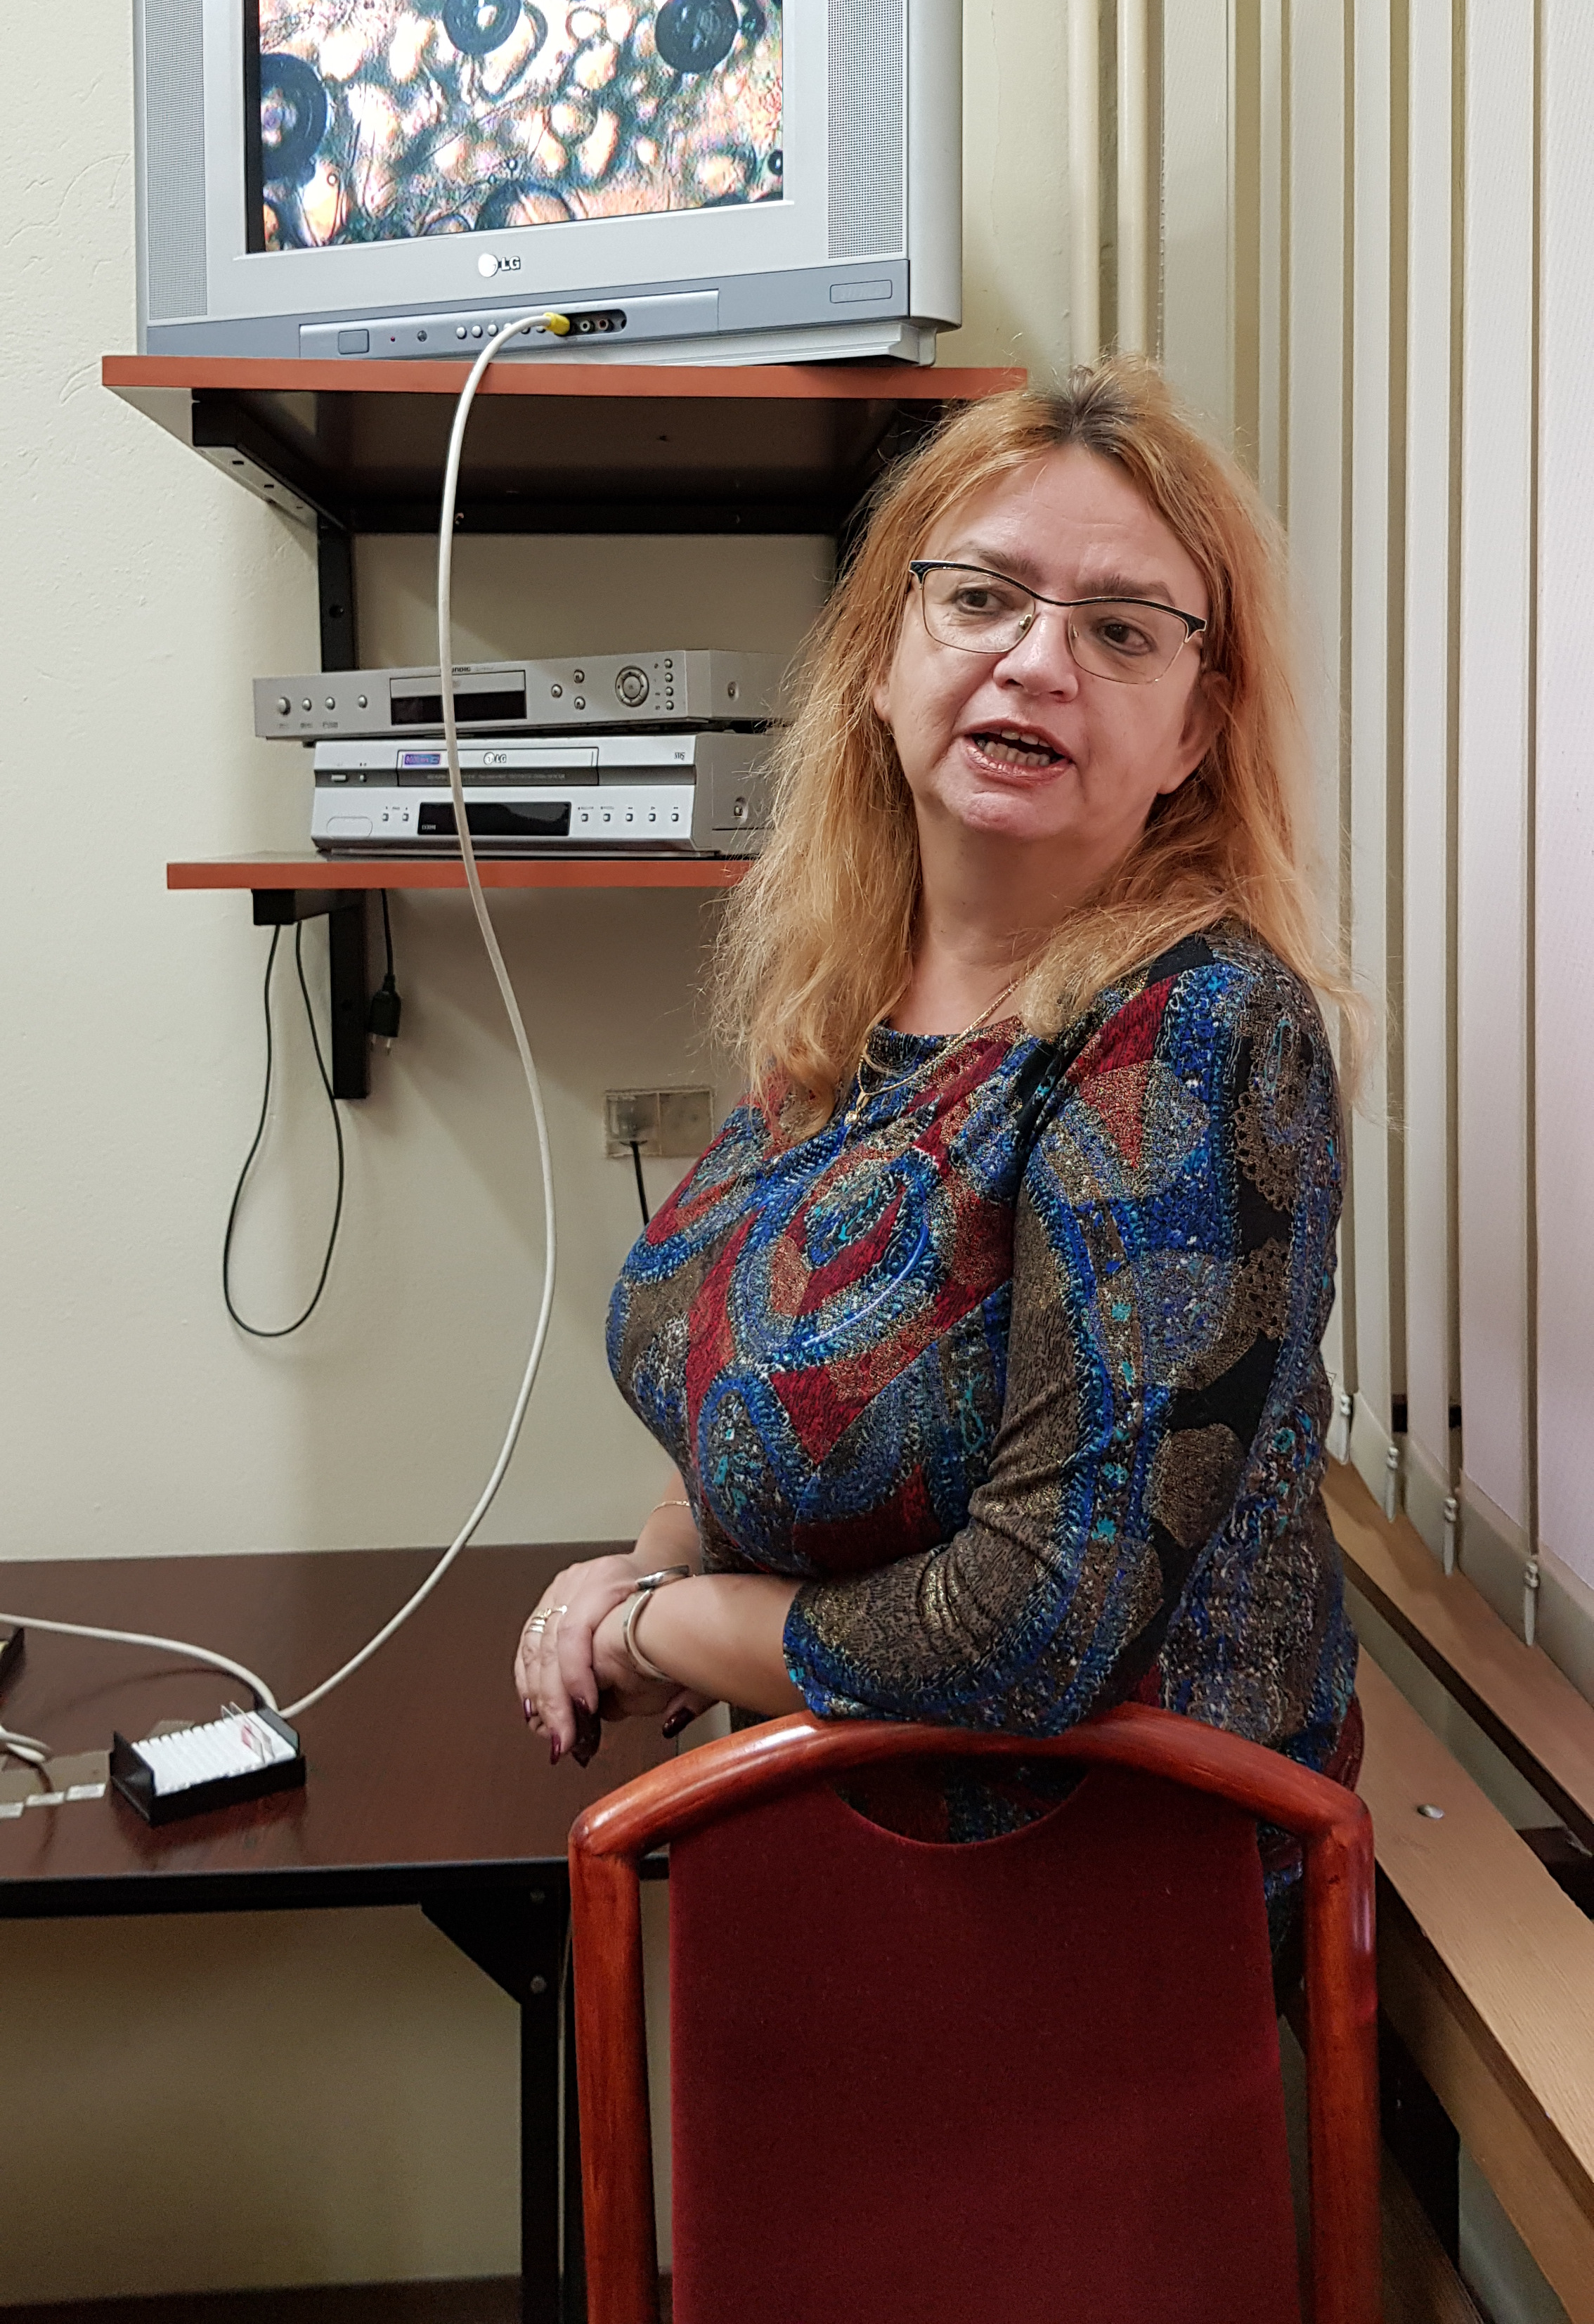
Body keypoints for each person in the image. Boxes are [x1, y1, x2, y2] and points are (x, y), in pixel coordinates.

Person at [514, 361, 1361, 1918]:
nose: (1037, 662)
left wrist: (652, 1634)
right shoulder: (846, 1003)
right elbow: (755, 1403)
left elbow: (1033, 1626)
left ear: (1194, 728)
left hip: (1075, 1921)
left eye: (1121, 631)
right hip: (816, 1839)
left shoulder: (1197, 1033)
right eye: (981, 599)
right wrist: (651, 1561)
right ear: (879, 660)